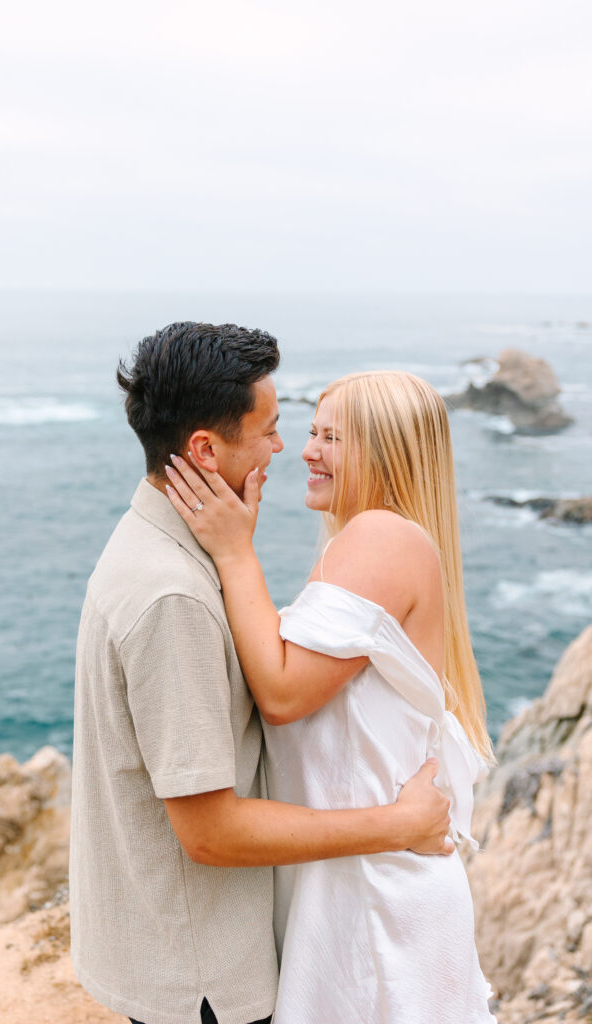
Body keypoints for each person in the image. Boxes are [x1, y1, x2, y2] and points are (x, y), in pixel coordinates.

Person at [70, 325, 454, 1024]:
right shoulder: (175, 594)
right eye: (283, 429)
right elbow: (213, 825)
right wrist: (398, 823)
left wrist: (234, 555)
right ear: (205, 450)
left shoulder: (162, 549)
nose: (293, 449)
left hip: (345, 902)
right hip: (209, 969)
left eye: (326, 437)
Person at [165, 369, 497, 1024]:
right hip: (359, 885)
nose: (306, 451)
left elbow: (284, 693)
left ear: (385, 451)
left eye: (332, 438)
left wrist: (235, 553)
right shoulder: (376, 541)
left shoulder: (381, 537)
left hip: (376, 900)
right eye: (312, 432)